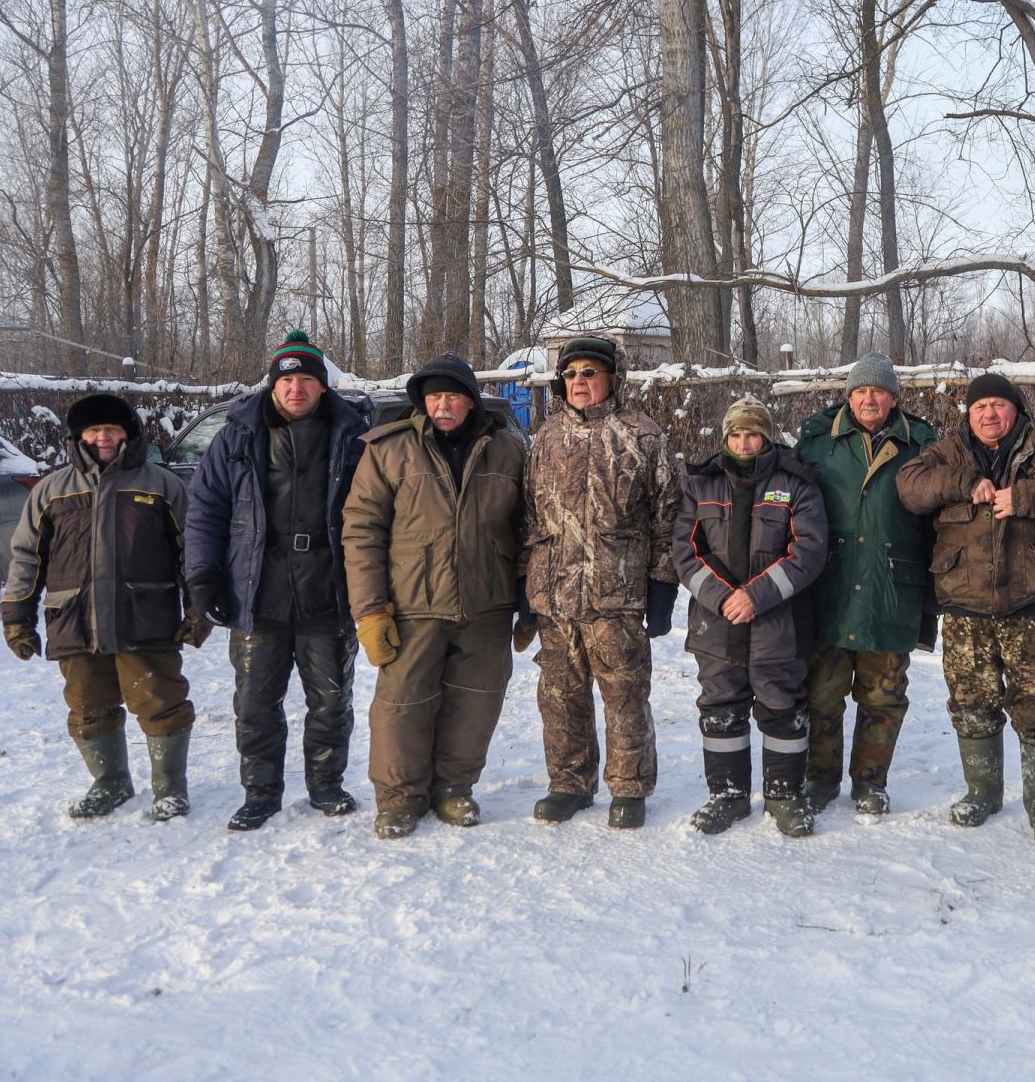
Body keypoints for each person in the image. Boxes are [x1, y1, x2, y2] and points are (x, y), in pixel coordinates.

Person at [897, 372, 1035, 847]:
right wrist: (963, 482)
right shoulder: (947, 452)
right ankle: (982, 792)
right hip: (965, 604)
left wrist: (1027, 496)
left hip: (1034, 603)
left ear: (1016, 410)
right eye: (980, 406)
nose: (990, 414)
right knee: (971, 704)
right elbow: (910, 486)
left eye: (999, 406)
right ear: (968, 413)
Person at [185, 331, 369, 831]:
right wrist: (202, 574)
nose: (296, 388)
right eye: (287, 379)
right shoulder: (237, 436)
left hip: (327, 590)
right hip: (256, 590)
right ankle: (260, 792)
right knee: (254, 702)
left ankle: (326, 785)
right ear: (272, 386)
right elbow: (205, 508)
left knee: (331, 700)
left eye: (306, 379)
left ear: (323, 387)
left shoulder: (352, 436)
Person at [342, 354, 530, 839]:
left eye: (453, 396)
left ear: (470, 401)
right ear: (422, 403)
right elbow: (361, 530)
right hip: (411, 603)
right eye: (434, 397)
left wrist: (531, 601)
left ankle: (454, 789)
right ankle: (400, 798)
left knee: (476, 702)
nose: (444, 405)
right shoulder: (389, 450)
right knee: (402, 704)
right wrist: (369, 609)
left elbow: (530, 529)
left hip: (486, 601)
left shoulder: (508, 450)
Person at [1, 393, 209, 821]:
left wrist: (198, 608)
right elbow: (26, 556)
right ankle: (110, 783)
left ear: (127, 435)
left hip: (146, 616)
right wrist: (16, 616)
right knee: (88, 706)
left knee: (161, 701)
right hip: (74, 618)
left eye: (111, 430)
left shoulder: (162, 485)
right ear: (79, 437)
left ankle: (170, 788)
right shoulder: (51, 491)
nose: (103, 437)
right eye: (94, 431)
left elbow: (194, 551)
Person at [524, 336, 680, 829]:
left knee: (626, 694)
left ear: (613, 377)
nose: (579, 382)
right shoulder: (545, 437)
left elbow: (667, 516)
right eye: (570, 375)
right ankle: (569, 782)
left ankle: (630, 787)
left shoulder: (642, 435)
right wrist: (528, 587)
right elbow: (529, 517)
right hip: (556, 595)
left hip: (618, 594)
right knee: (559, 695)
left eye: (589, 372)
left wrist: (662, 586)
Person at [672, 397, 829, 837]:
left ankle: (784, 794)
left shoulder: (796, 483)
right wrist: (723, 598)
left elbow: (809, 551)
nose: (743, 443)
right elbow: (684, 552)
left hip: (778, 623)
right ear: (725, 438)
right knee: (720, 707)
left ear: (767, 436)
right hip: (715, 623)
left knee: (782, 707)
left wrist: (755, 597)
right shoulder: (700, 485)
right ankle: (728, 796)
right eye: (736, 435)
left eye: (752, 434)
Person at [794, 353, 938, 817]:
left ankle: (870, 782)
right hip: (828, 591)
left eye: (878, 391)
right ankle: (820, 779)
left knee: (884, 698)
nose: (869, 398)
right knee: (822, 695)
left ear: (894, 397)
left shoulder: (923, 446)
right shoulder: (818, 444)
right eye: (861, 391)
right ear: (849, 396)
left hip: (891, 590)